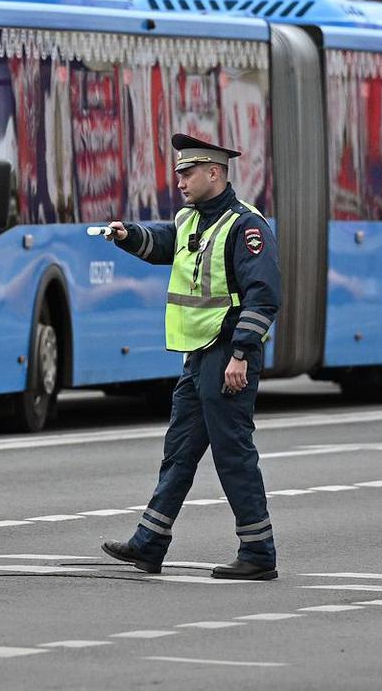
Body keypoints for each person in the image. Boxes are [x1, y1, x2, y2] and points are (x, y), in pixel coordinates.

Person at [99, 132, 281, 582]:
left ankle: (258, 552)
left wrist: (241, 354)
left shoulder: (247, 227)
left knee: (232, 454)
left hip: (226, 355)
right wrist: (128, 235)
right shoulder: (190, 219)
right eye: (179, 171)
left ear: (215, 173)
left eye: (188, 172)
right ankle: (149, 543)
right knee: (179, 453)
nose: (179, 180)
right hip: (198, 357)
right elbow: (164, 242)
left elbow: (263, 297)